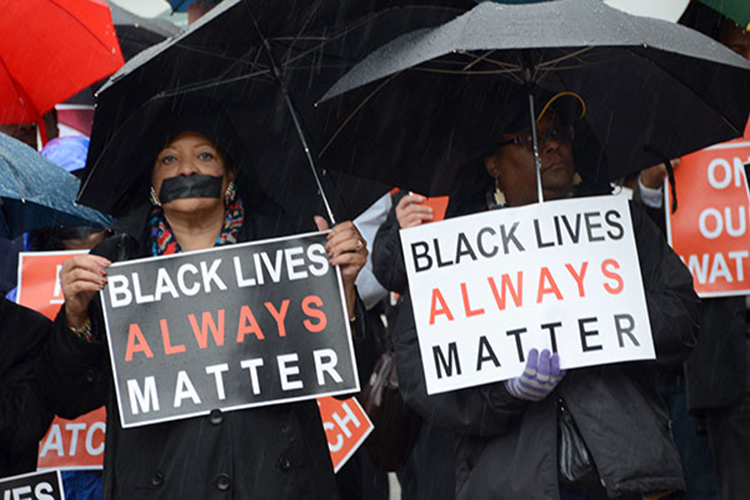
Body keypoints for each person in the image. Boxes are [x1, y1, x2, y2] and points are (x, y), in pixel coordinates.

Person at [42, 107, 368, 498]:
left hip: (274, 483)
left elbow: (347, 383)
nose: (186, 170)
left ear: (229, 175)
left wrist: (343, 288)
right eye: (169, 159)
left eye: (204, 156)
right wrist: (77, 316)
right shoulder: (115, 264)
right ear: (151, 180)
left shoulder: (286, 246)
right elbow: (70, 397)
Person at [388, 91, 699, 499]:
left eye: (559, 133)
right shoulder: (455, 250)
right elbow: (417, 369)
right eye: (530, 139)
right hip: (512, 482)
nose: (552, 145)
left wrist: (611, 319)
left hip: (628, 472)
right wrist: (504, 394)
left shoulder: (617, 227)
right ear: (492, 163)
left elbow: (682, 315)